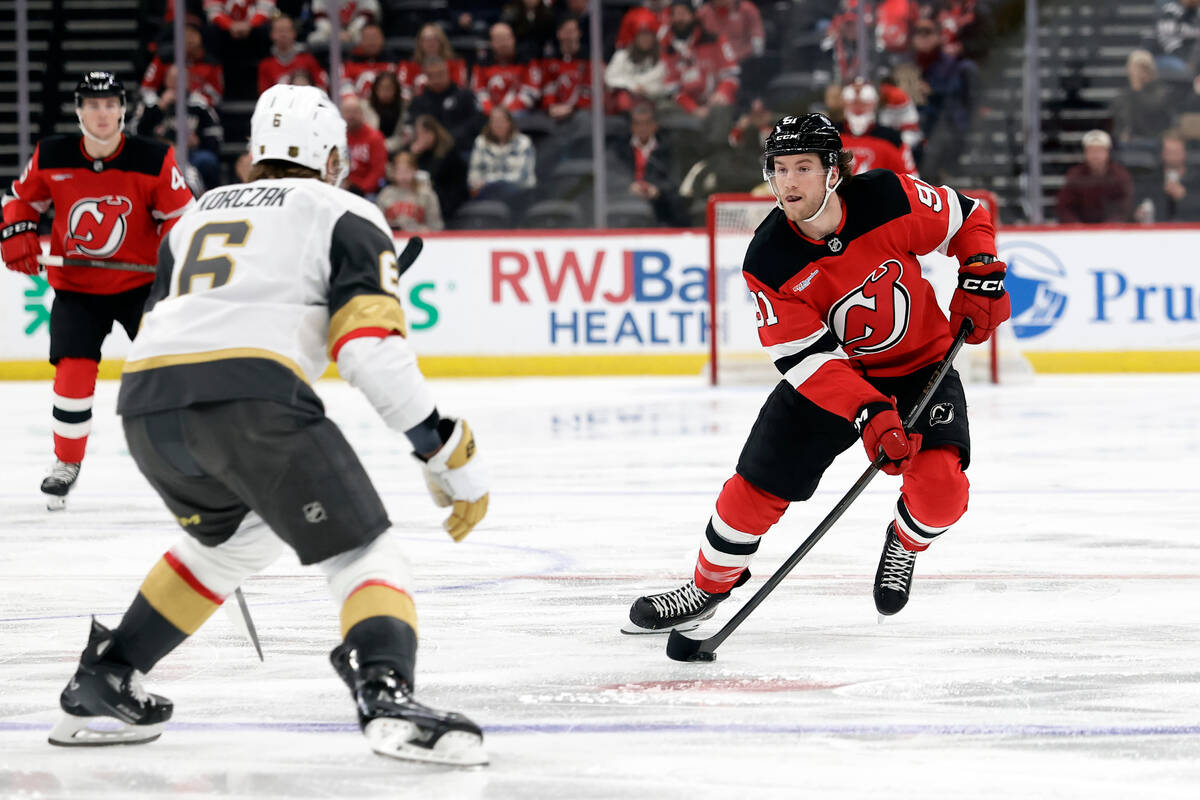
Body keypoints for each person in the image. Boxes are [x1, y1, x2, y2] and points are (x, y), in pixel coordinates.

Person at [47, 84, 490, 767]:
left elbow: (184, 319)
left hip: (146, 406)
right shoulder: (345, 211)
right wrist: (440, 446)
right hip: (250, 402)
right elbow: (369, 350)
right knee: (363, 550)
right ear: (333, 156)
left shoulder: (194, 218)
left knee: (235, 543)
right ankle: (384, 689)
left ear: (257, 151)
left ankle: (108, 674)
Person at [623, 113, 1010, 632]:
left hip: (919, 366)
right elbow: (806, 358)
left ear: (834, 171)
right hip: (832, 380)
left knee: (942, 494)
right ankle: (706, 587)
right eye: (779, 169)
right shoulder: (769, 258)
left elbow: (968, 219)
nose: (788, 182)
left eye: (802, 167)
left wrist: (980, 275)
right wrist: (870, 411)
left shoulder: (890, 197)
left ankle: (906, 540)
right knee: (754, 489)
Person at [0, 72, 195, 509]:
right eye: (92, 104)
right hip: (77, 287)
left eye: (109, 103)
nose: (101, 112)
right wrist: (16, 228)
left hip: (140, 287)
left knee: (167, 369)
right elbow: (21, 199)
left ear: (123, 109)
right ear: (79, 109)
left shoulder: (154, 158)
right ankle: (66, 463)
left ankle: (190, 458)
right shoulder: (51, 154)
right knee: (73, 372)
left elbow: (183, 218)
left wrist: (174, 255)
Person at [134, 64, 225, 191]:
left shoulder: (199, 104)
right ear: (166, 80)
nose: (177, 84)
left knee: (207, 161)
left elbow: (215, 135)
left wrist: (200, 141)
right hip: (158, 152)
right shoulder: (151, 103)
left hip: (192, 153)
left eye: (181, 79)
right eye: (173, 79)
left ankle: (207, 200)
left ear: (189, 82)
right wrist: (160, 107)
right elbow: (136, 133)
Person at [837, 79, 918, 176]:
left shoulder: (892, 139)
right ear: (844, 104)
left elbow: (911, 180)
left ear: (874, 104)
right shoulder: (831, 135)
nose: (858, 108)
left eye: (864, 104)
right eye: (854, 103)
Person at [1056, 129, 1134, 224]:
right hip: (1080, 234)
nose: (1096, 156)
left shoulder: (1120, 175)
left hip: (1113, 233)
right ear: (1085, 153)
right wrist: (1076, 226)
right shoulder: (1075, 175)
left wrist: (1111, 226)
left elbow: (1124, 207)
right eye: (1092, 151)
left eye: (1099, 151)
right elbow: (1065, 207)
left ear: (1107, 153)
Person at [407, 56, 483, 153]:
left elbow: (475, 122)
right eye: (431, 75)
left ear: (448, 72)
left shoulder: (465, 96)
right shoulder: (419, 101)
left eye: (440, 74)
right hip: (429, 151)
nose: (436, 79)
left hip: (461, 149)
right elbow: (414, 124)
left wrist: (448, 137)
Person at [467, 106, 537, 206]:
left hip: (518, 194)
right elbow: (473, 176)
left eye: (501, 121)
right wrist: (483, 185)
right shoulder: (480, 142)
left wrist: (489, 182)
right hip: (488, 196)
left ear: (510, 123)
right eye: (494, 121)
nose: (498, 125)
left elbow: (523, 177)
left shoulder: (523, 142)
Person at [411, 115, 470, 220]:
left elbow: (434, 177)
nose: (420, 138)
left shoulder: (449, 152)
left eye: (423, 134)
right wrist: (413, 155)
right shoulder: (420, 152)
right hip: (428, 194)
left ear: (432, 133)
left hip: (448, 198)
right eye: (418, 134)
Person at [257, 14, 329, 95]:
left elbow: (322, 88)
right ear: (272, 34)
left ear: (294, 33)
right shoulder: (266, 65)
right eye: (279, 31)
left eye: (287, 30)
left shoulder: (307, 59)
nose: (283, 34)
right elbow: (264, 95)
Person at [377, 150, 444, 232]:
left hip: (420, 239)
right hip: (393, 238)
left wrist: (426, 231)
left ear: (415, 170)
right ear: (393, 172)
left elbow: (436, 225)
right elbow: (378, 223)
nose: (403, 175)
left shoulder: (427, 194)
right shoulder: (385, 194)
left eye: (407, 171)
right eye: (399, 171)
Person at [341, 93, 388, 198]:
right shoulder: (336, 137)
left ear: (362, 113)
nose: (351, 116)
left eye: (355, 112)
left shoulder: (375, 137)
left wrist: (361, 189)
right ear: (341, 114)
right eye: (347, 112)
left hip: (366, 192)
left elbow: (378, 171)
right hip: (342, 190)